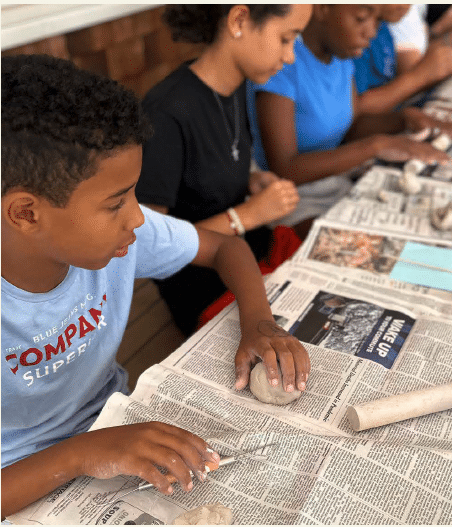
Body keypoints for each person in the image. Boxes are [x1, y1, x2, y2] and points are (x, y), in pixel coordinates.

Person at [1, 54, 310, 518]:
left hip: (114, 423)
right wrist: (84, 453)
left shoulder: (122, 238)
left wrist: (259, 321)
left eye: (133, 194)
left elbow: (225, 249)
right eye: (115, 203)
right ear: (27, 213)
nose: (139, 217)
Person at [135, 4, 312, 336]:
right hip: (202, 284)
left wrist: (250, 179)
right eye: (286, 39)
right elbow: (147, 246)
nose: (290, 57)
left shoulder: (236, 85)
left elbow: (208, 165)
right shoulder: (166, 113)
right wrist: (246, 215)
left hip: (251, 253)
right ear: (239, 20)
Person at [247, 4, 452, 237]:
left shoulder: (341, 57)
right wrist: (377, 145)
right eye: (361, 18)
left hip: (333, 186)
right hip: (288, 201)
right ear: (323, 9)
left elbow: (350, 128)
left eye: (377, 21)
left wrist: (404, 120)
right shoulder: (283, 64)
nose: (372, 32)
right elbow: (285, 168)